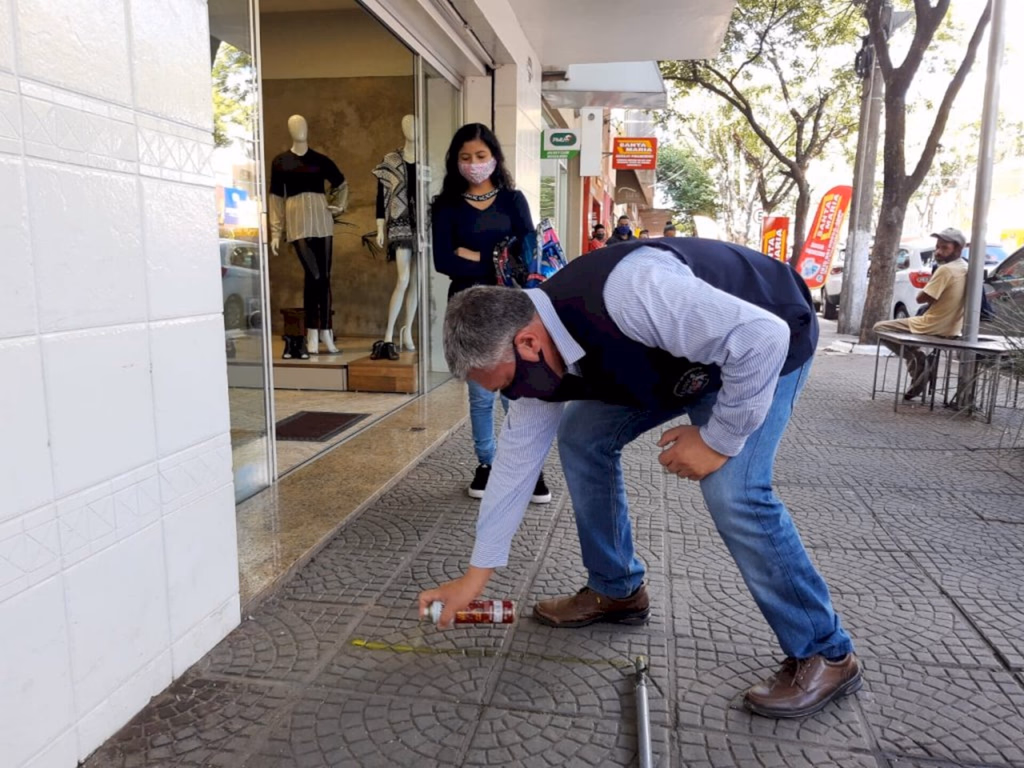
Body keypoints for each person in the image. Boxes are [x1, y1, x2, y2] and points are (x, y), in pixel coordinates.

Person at [419, 237, 860, 720]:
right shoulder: (534, 360)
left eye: (505, 383)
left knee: (733, 489)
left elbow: (762, 337)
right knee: (582, 435)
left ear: (527, 342)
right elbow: (514, 466)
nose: (512, 395)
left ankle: (826, 652)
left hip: (762, 345)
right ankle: (617, 589)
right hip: (678, 360)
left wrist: (717, 440)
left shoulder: (630, 292)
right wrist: (475, 578)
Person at [431, 123, 551, 504]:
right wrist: (497, 255)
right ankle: (487, 464)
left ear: (494, 158)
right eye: (465, 157)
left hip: (511, 306)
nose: (474, 163)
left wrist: (473, 255)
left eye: (481, 156)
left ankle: (527, 465)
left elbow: (527, 255)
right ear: (456, 161)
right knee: (481, 395)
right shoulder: (445, 205)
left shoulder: (513, 201)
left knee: (517, 392)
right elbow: (442, 261)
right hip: (467, 309)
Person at [874, 227, 969, 400]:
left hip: (932, 324)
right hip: (952, 328)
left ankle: (916, 361)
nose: (938, 252)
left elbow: (921, 298)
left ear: (958, 249)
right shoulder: (965, 267)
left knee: (879, 328)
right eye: (938, 247)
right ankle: (919, 365)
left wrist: (929, 285)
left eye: (945, 248)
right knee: (901, 329)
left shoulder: (946, 270)